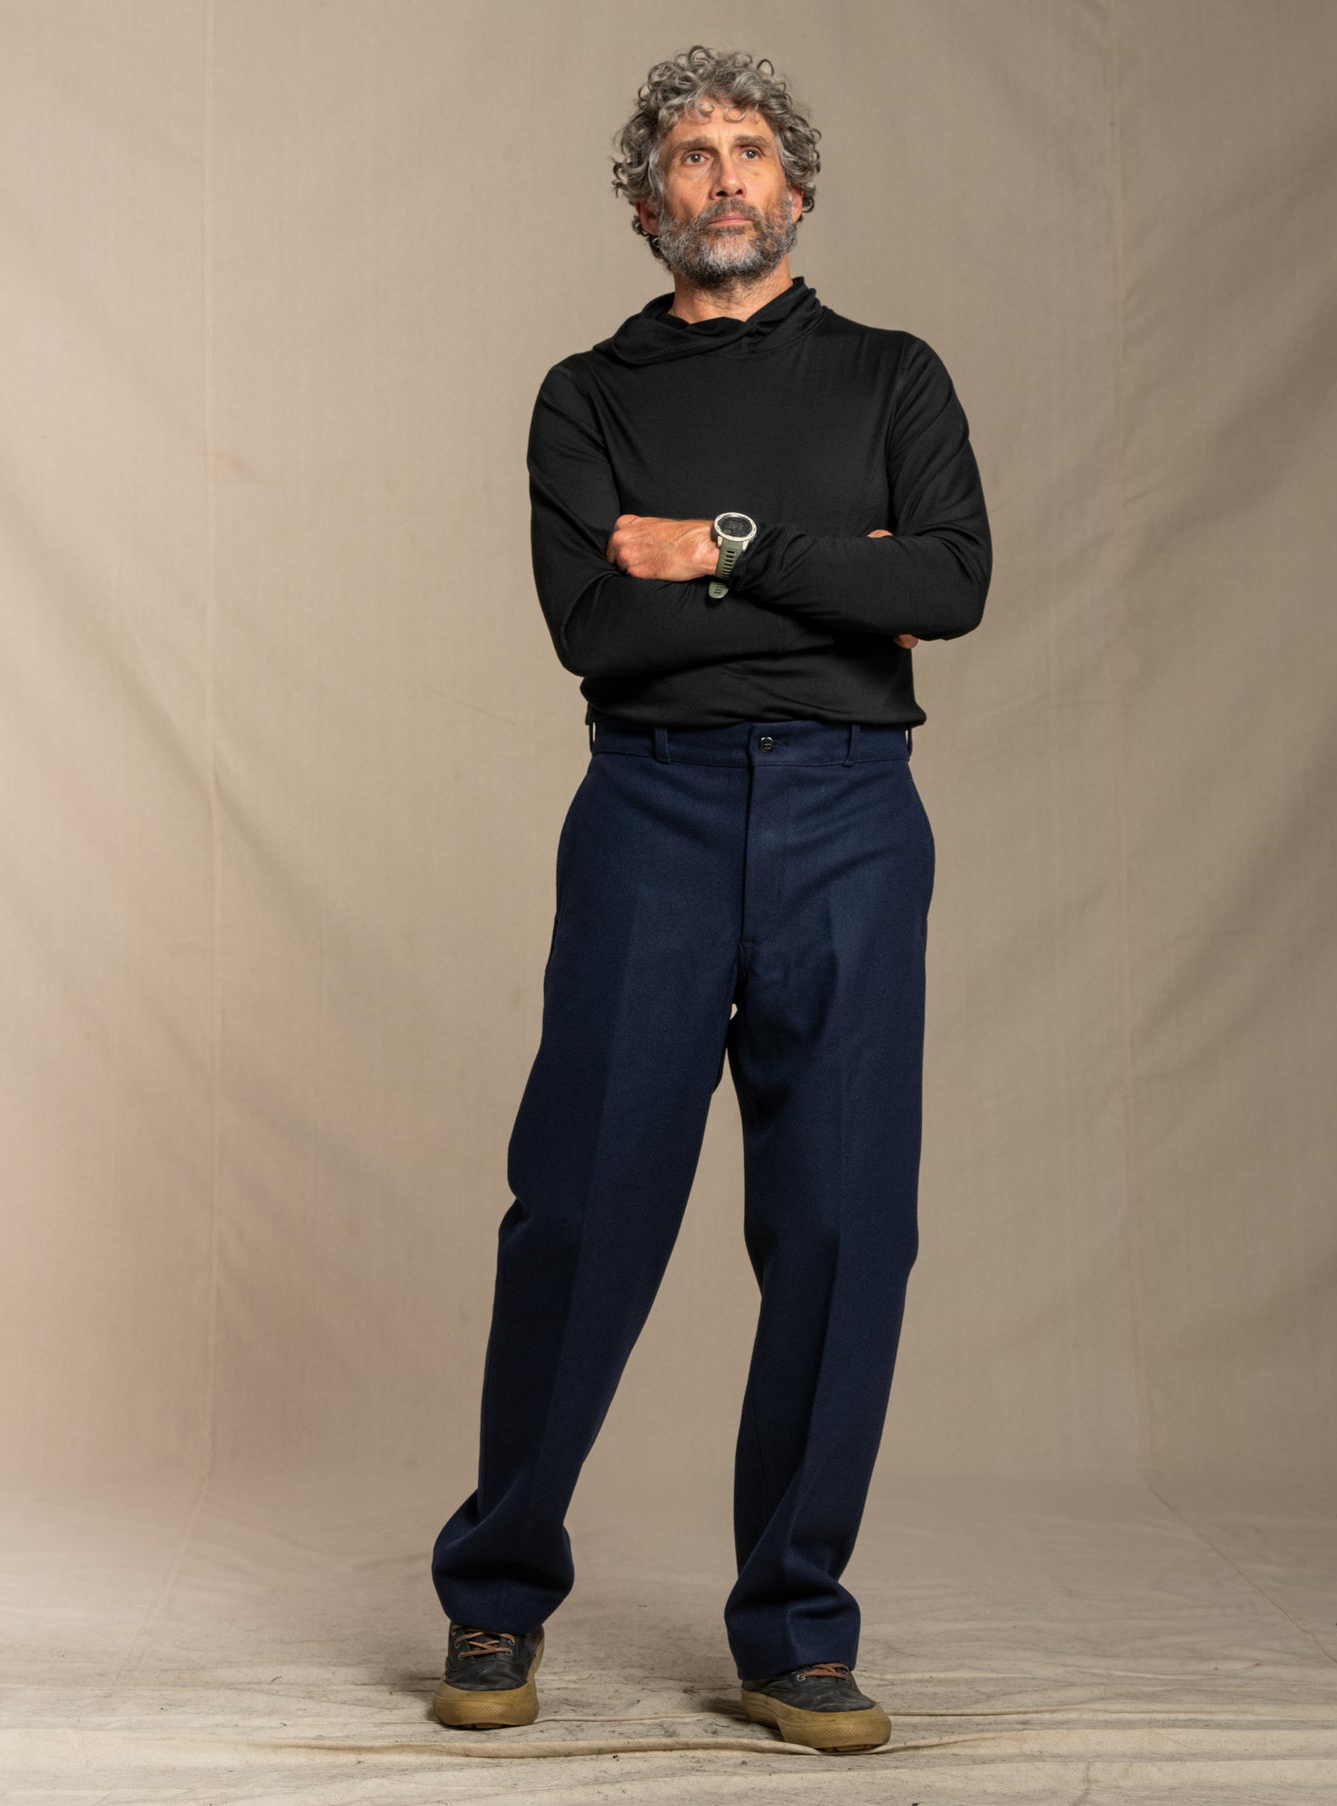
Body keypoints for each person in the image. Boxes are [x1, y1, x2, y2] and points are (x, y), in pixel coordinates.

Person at [429, 43, 992, 1755]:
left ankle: (794, 1628)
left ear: (796, 189)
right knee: (580, 1205)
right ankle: (496, 1589)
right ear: (644, 204)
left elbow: (951, 581)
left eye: (751, 148)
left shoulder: (892, 376)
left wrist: (723, 547)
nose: (725, 174)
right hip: (651, 809)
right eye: (690, 153)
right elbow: (600, 628)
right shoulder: (585, 397)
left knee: (842, 1223)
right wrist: (839, 583)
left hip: (850, 817)